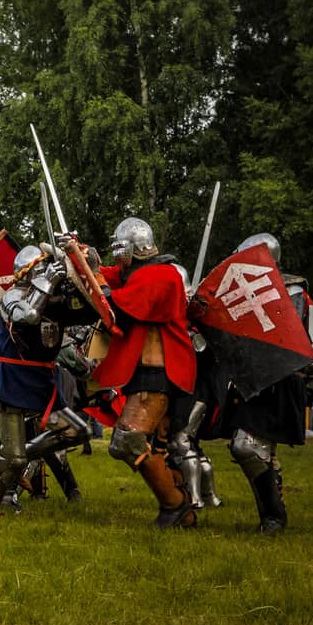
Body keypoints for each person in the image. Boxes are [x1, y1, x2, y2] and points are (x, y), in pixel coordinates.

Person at [0, 244, 98, 516]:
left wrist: (80, 272)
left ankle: (19, 455)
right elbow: (28, 317)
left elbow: (91, 311)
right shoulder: (10, 297)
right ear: (29, 273)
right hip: (13, 379)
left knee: (79, 431)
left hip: (43, 380)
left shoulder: (55, 302)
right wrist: (49, 282)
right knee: (15, 459)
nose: (47, 270)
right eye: (42, 267)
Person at [200, 233, 309, 534]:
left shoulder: (292, 292)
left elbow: (284, 338)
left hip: (277, 380)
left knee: (247, 447)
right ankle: (273, 512)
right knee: (254, 448)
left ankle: (273, 517)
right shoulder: (239, 291)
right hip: (252, 378)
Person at [93, 217, 199, 528]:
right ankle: (182, 509)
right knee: (158, 448)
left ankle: (175, 505)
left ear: (135, 248)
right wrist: (80, 254)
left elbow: (117, 304)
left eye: (120, 249)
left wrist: (97, 281)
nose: (117, 257)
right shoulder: (136, 274)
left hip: (160, 373)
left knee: (128, 441)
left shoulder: (161, 275)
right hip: (146, 373)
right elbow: (101, 275)